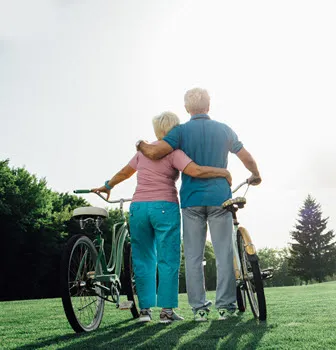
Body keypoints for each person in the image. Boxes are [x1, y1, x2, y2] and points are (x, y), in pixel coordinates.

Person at [92, 111, 233, 324]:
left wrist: (108, 186)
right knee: (168, 259)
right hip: (164, 207)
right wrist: (222, 172)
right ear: (174, 129)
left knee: (142, 259)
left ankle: (145, 311)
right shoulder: (174, 152)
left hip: (138, 208)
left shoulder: (142, 153)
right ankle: (166, 312)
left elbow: (124, 172)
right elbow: (195, 171)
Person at [136, 87, 261, 321]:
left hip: (191, 200)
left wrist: (140, 145)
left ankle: (199, 310)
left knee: (193, 257)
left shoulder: (180, 132)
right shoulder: (224, 129)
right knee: (224, 253)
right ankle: (225, 307)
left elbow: (155, 152)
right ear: (209, 105)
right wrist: (255, 174)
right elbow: (246, 157)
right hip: (220, 199)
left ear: (186, 108)